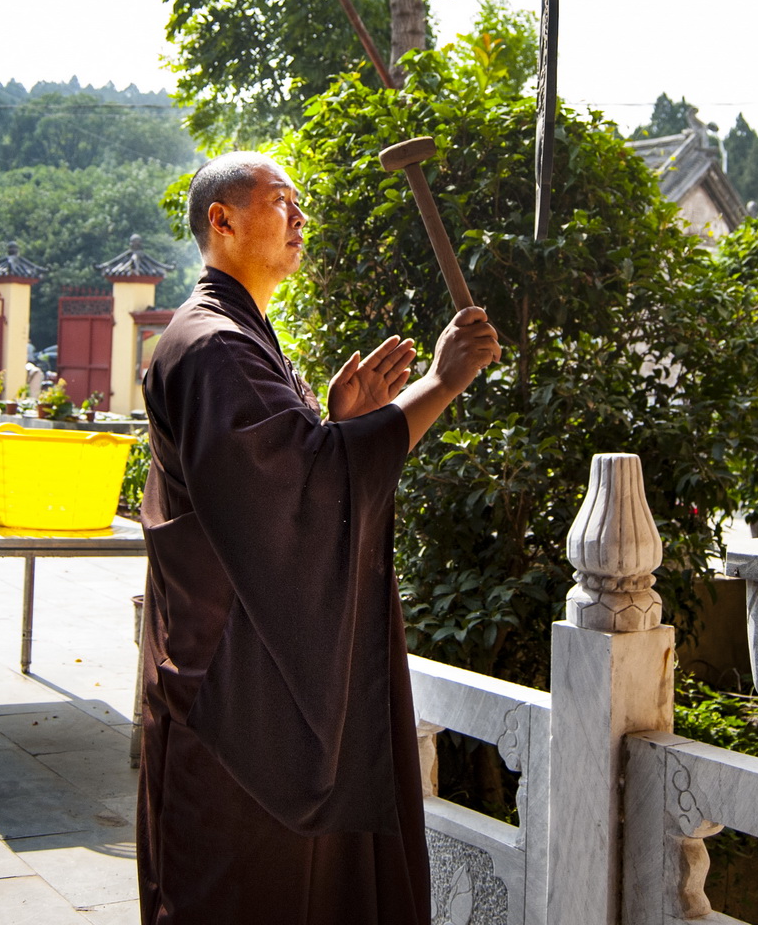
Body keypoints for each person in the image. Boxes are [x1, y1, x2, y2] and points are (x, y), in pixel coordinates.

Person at [137, 151, 500, 925]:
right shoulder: (214, 347)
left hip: (249, 677)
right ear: (222, 220)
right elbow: (301, 492)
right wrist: (440, 383)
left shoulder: (238, 334)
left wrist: (341, 424)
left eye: (301, 202)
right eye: (280, 201)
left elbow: (278, 486)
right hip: (234, 695)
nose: (300, 217)